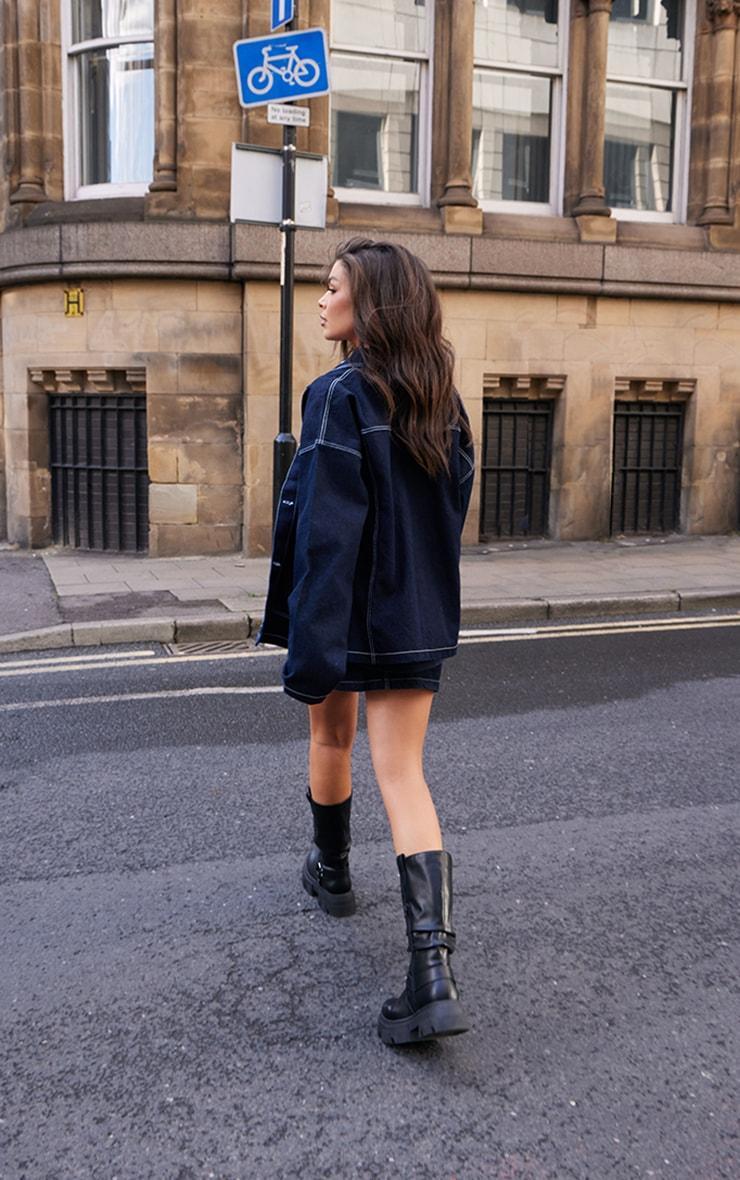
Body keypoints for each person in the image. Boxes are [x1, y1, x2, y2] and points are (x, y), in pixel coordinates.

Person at [257, 237, 475, 1045]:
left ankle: (335, 874)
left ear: (368, 304)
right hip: (414, 610)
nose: (321, 300)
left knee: (330, 732)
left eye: (333, 287)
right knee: (404, 773)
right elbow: (451, 507)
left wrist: (306, 640)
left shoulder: (336, 393)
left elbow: (324, 530)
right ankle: (432, 972)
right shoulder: (439, 398)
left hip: (351, 610)